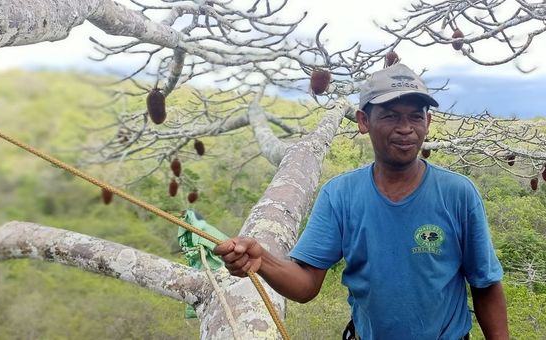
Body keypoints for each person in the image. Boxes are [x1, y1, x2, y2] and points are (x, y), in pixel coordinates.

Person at [214, 64, 509, 339]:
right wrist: (261, 260)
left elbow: (486, 285)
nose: (406, 128)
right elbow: (305, 285)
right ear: (363, 121)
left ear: (428, 122)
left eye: (416, 116)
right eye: (391, 115)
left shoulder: (458, 193)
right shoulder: (340, 195)